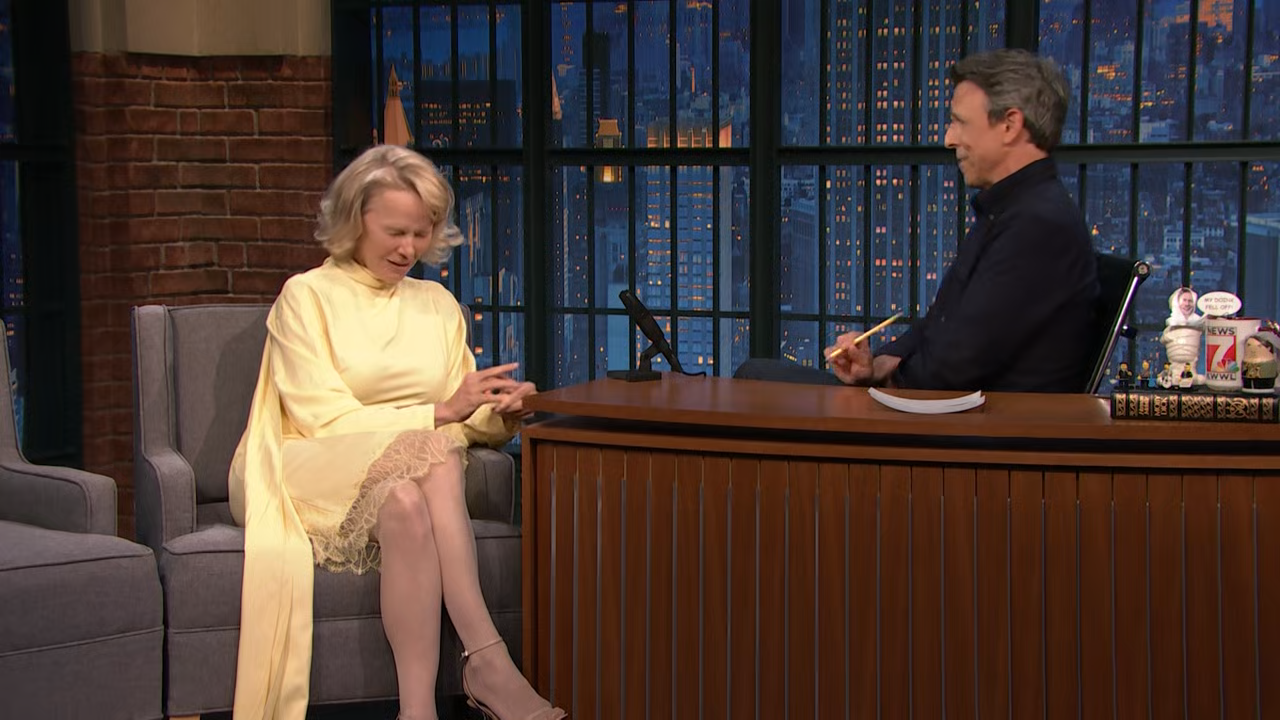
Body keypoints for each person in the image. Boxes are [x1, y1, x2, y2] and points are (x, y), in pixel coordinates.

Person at [228, 145, 566, 720]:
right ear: (354, 221)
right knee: (432, 450)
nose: (409, 249)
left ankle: (417, 712)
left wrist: (505, 411)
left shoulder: (436, 304)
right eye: (395, 232)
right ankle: (487, 659)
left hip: (410, 470)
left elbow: (465, 415)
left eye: (420, 232)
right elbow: (319, 417)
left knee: (408, 500)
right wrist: (437, 413)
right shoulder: (306, 296)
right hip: (302, 461)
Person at [737, 49, 1098, 393]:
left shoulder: (1037, 227)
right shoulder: (1014, 211)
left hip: (956, 423)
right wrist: (876, 365)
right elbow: (940, 326)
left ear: (1010, 125)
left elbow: (955, 367)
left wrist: (888, 383)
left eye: (959, 122)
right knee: (757, 375)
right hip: (938, 405)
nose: (949, 139)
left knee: (755, 382)